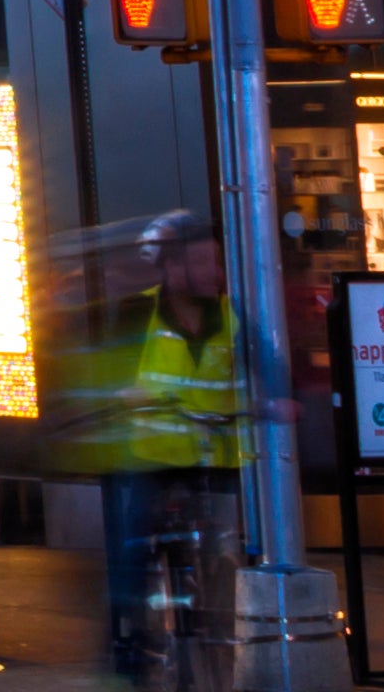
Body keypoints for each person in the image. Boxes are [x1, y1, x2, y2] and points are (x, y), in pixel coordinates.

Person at [67, 213, 248, 688]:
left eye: (217, 260)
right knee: (131, 549)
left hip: (216, 462)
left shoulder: (234, 315)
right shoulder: (137, 311)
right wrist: (119, 392)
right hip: (151, 458)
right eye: (202, 261)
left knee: (236, 553)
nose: (215, 271)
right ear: (170, 268)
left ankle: (222, 635)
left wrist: (274, 402)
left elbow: (261, 371)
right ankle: (127, 639)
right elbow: (109, 371)